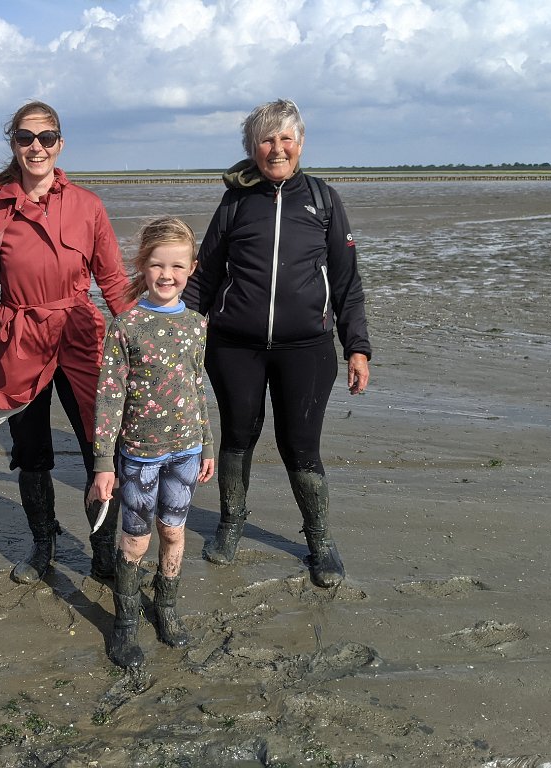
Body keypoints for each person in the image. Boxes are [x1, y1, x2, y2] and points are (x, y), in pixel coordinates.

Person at [182, 98, 371, 589]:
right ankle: (230, 525)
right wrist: (177, 333)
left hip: (306, 349)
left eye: (286, 138)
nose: (277, 148)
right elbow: (204, 277)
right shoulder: (236, 202)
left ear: (301, 143)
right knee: (238, 435)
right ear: (253, 147)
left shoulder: (323, 199)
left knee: (301, 445)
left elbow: (348, 282)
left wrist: (358, 347)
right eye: (266, 139)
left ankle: (320, 540)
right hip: (234, 347)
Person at [0, 101, 132, 584]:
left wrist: (151, 335)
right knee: (31, 452)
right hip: (19, 339)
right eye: (26, 138)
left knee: (97, 447)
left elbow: (113, 280)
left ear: (60, 143)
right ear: (14, 144)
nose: (36, 146)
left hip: (81, 335)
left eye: (46, 137)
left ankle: (103, 549)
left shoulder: (88, 205)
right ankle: (43, 545)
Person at [90, 216, 215, 668]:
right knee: (136, 540)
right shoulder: (125, 326)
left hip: (185, 452)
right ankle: (124, 624)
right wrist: (104, 463)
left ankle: (165, 608)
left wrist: (207, 444)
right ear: (142, 266)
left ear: (192, 268)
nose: (167, 275)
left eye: (178, 267)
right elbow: (109, 397)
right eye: (158, 265)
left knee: (174, 532)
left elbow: (198, 387)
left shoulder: (197, 325)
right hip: (139, 455)